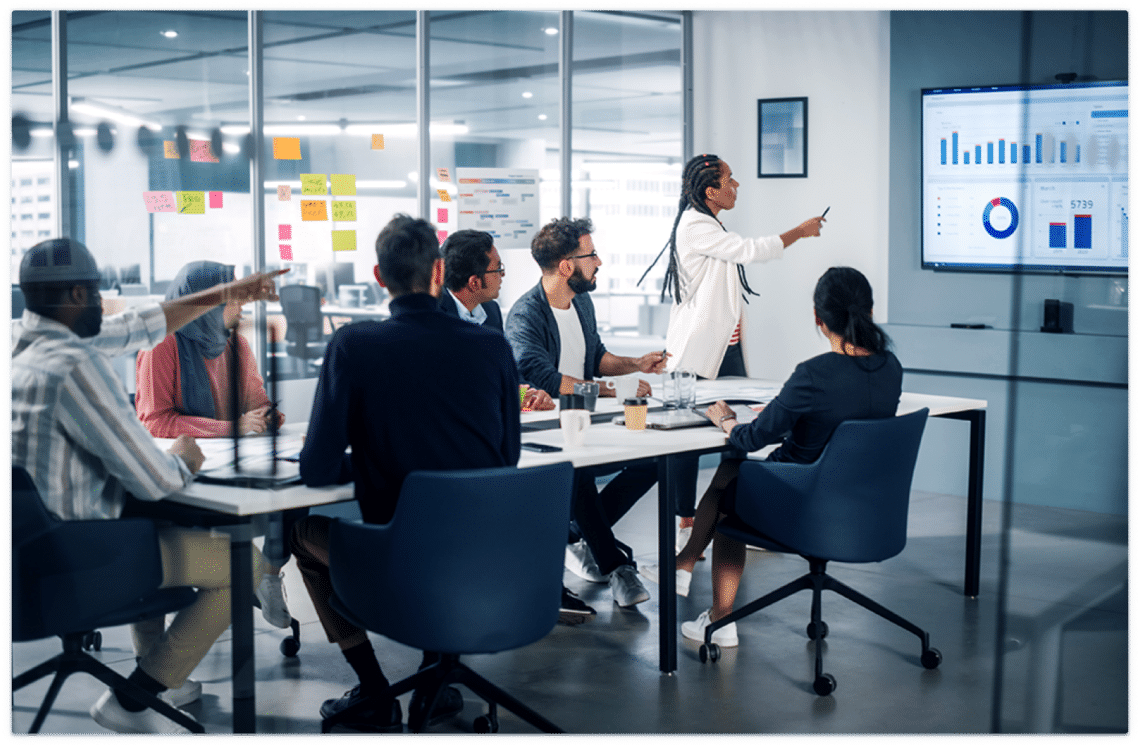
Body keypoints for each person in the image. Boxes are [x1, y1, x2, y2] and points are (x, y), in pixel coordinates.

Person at [9, 238, 285, 734]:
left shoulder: (25, 351)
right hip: (81, 561)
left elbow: (137, 326)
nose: (105, 303)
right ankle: (138, 695)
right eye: (95, 294)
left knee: (154, 522)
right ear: (75, 295)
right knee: (244, 563)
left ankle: (157, 678)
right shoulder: (74, 366)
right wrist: (181, 457)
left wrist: (227, 290)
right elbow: (153, 479)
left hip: (26, 558)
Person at [289, 215, 522, 732]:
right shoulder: (492, 347)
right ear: (441, 272)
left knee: (299, 533)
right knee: (443, 529)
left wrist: (375, 457)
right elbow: (506, 459)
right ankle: (432, 679)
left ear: (378, 276)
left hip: (399, 560)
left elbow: (316, 469)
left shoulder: (355, 345)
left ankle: (374, 690)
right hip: (488, 559)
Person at [641, 267, 902, 649]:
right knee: (735, 479)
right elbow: (842, 421)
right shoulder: (890, 369)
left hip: (801, 507)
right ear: (870, 311)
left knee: (732, 482)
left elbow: (749, 440)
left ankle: (717, 615)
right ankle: (683, 566)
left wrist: (726, 419)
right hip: (864, 510)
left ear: (818, 318)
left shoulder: (814, 374)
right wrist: (791, 411)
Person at [651, 153, 826, 551]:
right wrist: (799, 231)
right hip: (698, 351)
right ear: (711, 191)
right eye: (730, 180)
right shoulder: (696, 225)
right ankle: (686, 522)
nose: (737, 185)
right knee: (687, 440)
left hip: (724, 347)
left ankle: (735, 515)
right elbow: (749, 250)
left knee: (737, 430)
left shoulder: (708, 221)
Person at [504, 217, 669, 609]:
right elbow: (543, 376)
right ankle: (616, 566)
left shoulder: (582, 302)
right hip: (546, 433)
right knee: (575, 473)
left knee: (652, 462)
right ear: (566, 265)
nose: (599, 261)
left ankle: (576, 536)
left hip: (585, 421)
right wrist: (608, 390)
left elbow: (596, 357)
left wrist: (635, 364)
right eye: (591, 254)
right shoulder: (525, 315)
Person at [134, 260, 295, 633]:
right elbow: (155, 421)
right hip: (186, 472)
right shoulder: (161, 344)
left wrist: (266, 414)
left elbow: (256, 398)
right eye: (232, 301)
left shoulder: (235, 342)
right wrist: (231, 427)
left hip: (233, 465)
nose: (239, 309)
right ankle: (234, 584)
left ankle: (267, 576)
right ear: (203, 306)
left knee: (294, 501)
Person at [439, 229, 553, 413]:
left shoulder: (491, 311)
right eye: (498, 268)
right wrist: (506, 395)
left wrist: (532, 393)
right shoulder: (434, 315)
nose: (503, 275)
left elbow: (505, 371)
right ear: (474, 283)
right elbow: (448, 384)